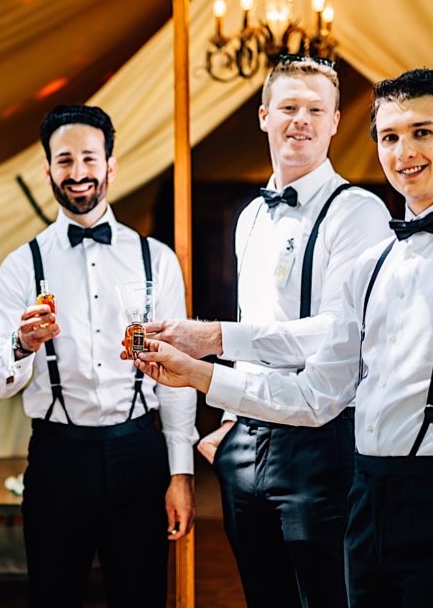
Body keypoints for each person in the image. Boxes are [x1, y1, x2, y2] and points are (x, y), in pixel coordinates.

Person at [133, 68, 433, 608]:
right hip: (367, 501)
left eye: (422, 132)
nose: (403, 151)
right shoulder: (373, 264)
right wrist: (198, 373)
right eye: (389, 137)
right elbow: (315, 396)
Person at [142, 56, 391, 607]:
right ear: (263, 116)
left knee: (328, 596)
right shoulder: (250, 214)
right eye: (288, 107)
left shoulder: (359, 212)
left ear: (333, 123)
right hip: (246, 440)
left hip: (323, 443)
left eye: (315, 110)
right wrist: (231, 422)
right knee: (262, 594)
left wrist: (213, 341)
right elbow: (259, 315)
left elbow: (333, 335)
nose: (300, 120)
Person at [0, 104, 198, 607]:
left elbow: (177, 374)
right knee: (53, 595)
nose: (78, 173)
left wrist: (180, 472)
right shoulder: (21, 266)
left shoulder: (157, 260)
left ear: (111, 164)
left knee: (142, 594)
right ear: (47, 170)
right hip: (58, 456)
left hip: (138, 453)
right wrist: (22, 344)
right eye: (64, 161)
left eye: (89, 157)